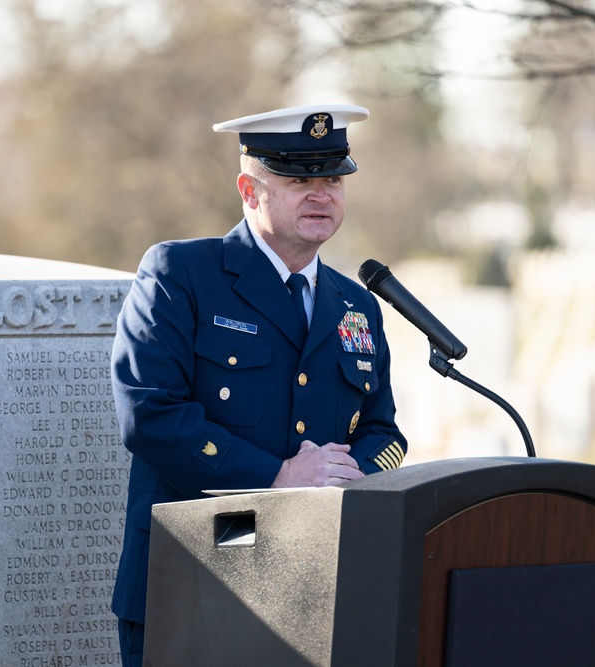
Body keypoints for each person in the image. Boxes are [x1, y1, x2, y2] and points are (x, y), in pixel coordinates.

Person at [110, 103, 408, 667]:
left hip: (316, 588)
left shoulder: (356, 304)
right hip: (196, 579)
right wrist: (279, 475)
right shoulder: (182, 275)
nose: (322, 194)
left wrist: (351, 478)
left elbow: (383, 431)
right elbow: (149, 415)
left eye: (334, 178)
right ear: (250, 190)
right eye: (300, 179)